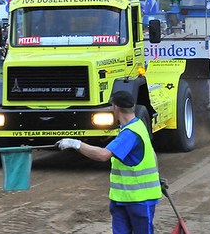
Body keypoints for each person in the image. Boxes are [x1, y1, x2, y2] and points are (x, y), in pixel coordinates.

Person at [58, 90, 161, 234]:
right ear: (134, 106)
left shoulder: (129, 134)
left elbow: (103, 155)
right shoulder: (139, 126)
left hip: (139, 201)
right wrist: (156, 177)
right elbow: (152, 154)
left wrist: (76, 144)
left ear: (115, 108)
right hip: (124, 199)